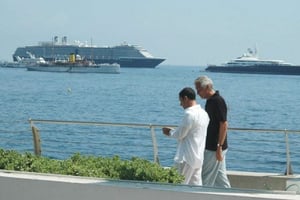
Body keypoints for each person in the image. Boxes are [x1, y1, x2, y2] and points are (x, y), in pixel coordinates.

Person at [162, 87, 209, 185]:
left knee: (179, 185)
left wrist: (169, 132)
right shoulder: (204, 114)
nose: (180, 104)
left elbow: (180, 134)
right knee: (195, 187)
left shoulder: (189, 114)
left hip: (186, 157)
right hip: (198, 156)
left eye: (181, 101)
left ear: (185, 98)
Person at [194, 75, 231, 188]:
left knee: (205, 178)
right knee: (220, 179)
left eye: (199, 89)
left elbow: (223, 124)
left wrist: (219, 147)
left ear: (208, 87)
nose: (197, 93)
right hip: (214, 145)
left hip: (214, 147)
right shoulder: (210, 101)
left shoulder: (217, 101)